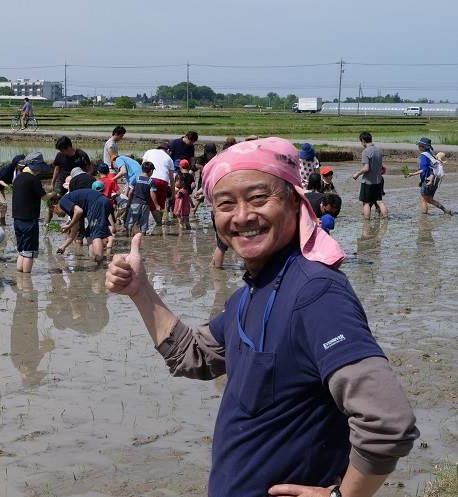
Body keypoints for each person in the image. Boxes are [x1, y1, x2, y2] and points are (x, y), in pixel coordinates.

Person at [106, 137, 418, 497]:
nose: (242, 216)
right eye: (225, 204)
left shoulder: (316, 292)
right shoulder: (249, 294)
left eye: (258, 198)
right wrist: (141, 290)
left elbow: (387, 422)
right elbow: (193, 357)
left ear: (293, 201)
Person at [12, 152, 52, 273]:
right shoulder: (33, 179)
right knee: (29, 252)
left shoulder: (17, 178)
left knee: (22, 250)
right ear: (36, 166)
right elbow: (44, 197)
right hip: (29, 220)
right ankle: (26, 279)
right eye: (40, 168)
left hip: (16, 219)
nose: (40, 171)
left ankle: (20, 275)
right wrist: (54, 193)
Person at [55, 187, 114, 264]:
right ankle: (93, 260)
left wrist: (69, 226)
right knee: (89, 233)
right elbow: (73, 233)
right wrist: (63, 246)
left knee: (96, 234)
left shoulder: (63, 201)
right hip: (104, 201)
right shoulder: (72, 210)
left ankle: (100, 262)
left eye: (56, 213)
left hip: (97, 203)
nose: (59, 216)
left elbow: (79, 211)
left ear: (55, 207)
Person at [50, 137, 92, 221]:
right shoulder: (60, 155)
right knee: (56, 202)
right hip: (62, 182)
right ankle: (49, 221)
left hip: (77, 184)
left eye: (62, 150)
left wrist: (85, 178)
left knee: (77, 203)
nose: (61, 152)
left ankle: (75, 223)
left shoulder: (81, 155)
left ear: (68, 148)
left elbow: (90, 169)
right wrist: (52, 183)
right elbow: (57, 169)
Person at [407, 138, 452, 216]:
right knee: (427, 199)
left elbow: (424, 170)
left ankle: (426, 217)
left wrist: (412, 174)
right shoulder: (431, 152)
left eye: (419, 146)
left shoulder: (423, 156)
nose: (418, 147)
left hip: (428, 180)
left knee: (425, 199)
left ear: (422, 147)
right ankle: (441, 211)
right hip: (436, 179)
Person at [352, 132, 388, 219]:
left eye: (361, 142)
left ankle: (366, 222)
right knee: (379, 201)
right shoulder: (378, 150)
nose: (361, 144)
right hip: (378, 181)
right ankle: (386, 218)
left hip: (368, 182)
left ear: (363, 141)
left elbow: (366, 168)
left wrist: (357, 174)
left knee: (366, 203)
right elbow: (381, 166)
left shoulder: (366, 152)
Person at [142, 146, 175, 225]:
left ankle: (158, 222)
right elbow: (172, 178)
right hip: (163, 181)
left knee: (151, 202)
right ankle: (159, 222)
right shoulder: (169, 158)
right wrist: (173, 193)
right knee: (160, 204)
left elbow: (143, 166)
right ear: (167, 150)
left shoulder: (149, 151)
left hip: (151, 178)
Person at [125, 162, 158, 235]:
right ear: (151, 171)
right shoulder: (151, 181)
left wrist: (129, 203)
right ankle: (143, 238)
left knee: (130, 222)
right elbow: (152, 194)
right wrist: (156, 205)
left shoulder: (136, 179)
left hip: (135, 204)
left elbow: (130, 192)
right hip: (145, 205)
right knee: (144, 224)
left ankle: (128, 237)